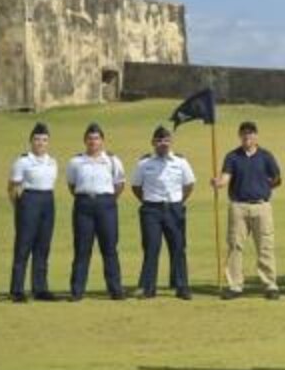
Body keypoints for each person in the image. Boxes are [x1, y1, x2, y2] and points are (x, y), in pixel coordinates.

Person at [217, 120, 282, 300]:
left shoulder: (266, 156)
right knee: (235, 246)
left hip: (262, 206)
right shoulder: (232, 156)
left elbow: (277, 178)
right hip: (238, 206)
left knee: (265, 246)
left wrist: (263, 187)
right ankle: (235, 285)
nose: (247, 136)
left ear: (256, 136)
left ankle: (270, 284)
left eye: (251, 133)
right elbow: (225, 178)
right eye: (244, 133)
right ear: (240, 136)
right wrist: (219, 183)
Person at [132, 125, 195, 299]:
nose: (163, 144)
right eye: (159, 140)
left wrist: (178, 201)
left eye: (166, 140)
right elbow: (136, 187)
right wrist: (149, 201)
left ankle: (182, 287)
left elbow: (189, 185)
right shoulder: (144, 163)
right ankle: (148, 288)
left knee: (178, 248)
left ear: (171, 142)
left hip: (174, 208)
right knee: (151, 248)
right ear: (153, 143)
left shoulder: (180, 162)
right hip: (151, 210)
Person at [65, 122, 126, 301]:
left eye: (97, 138)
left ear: (102, 141)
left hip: (106, 204)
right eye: (90, 138)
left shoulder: (112, 160)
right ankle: (77, 291)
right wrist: (87, 198)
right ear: (85, 140)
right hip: (83, 205)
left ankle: (115, 290)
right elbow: (71, 184)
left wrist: (107, 200)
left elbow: (120, 183)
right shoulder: (76, 161)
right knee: (82, 249)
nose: (93, 141)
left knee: (109, 249)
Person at [8, 121, 59, 302]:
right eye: (37, 139)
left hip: (48, 201)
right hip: (29, 200)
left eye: (44, 140)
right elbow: (13, 187)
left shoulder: (52, 161)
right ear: (31, 141)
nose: (40, 143)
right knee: (23, 247)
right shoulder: (23, 161)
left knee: (43, 247)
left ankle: (40, 288)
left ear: (48, 142)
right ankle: (17, 290)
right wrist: (19, 207)